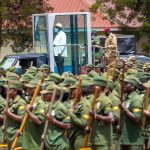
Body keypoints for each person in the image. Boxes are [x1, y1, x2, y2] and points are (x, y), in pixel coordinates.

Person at [119, 76, 144, 150]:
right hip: (125, 139)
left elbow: (136, 119)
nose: (124, 85)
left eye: (126, 83)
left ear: (133, 86)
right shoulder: (127, 98)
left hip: (134, 142)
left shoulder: (136, 99)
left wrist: (124, 108)